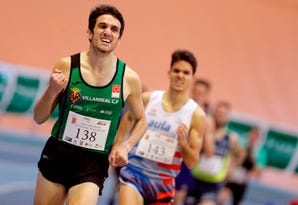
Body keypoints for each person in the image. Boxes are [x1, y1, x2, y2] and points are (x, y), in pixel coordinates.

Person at [33, 4, 147, 205]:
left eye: (114, 29)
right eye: (102, 26)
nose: (107, 32)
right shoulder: (67, 66)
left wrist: (124, 146)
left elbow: (141, 120)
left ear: (119, 39)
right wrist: (51, 91)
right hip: (58, 153)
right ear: (89, 32)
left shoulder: (128, 78)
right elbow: (39, 117)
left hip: (93, 162)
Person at [116, 49, 207, 205]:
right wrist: (119, 146)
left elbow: (192, 162)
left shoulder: (196, 115)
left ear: (193, 78)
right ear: (169, 73)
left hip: (163, 184)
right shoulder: (148, 99)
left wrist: (183, 143)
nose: (180, 75)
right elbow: (128, 118)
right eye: (176, 70)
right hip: (134, 173)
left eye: (186, 72)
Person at [184, 101, 245, 205]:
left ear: (227, 117)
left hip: (213, 184)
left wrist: (231, 169)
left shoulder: (230, 137)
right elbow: (206, 151)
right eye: (217, 113)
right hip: (195, 179)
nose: (219, 116)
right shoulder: (202, 134)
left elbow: (241, 154)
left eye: (223, 114)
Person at [172, 78, 212, 205]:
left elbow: (209, 149)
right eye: (196, 92)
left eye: (201, 93)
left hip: (186, 163)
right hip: (169, 157)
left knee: (176, 199)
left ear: (206, 96)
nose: (197, 95)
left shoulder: (207, 119)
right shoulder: (181, 109)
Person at [218, 126, 267, 205]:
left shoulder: (260, 152)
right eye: (252, 134)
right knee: (221, 199)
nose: (253, 137)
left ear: (258, 138)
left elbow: (258, 173)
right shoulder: (241, 145)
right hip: (232, 178)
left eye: (256, 135)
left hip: (242, 181)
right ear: (249, 134)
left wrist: (254, 160)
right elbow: (232, 158)